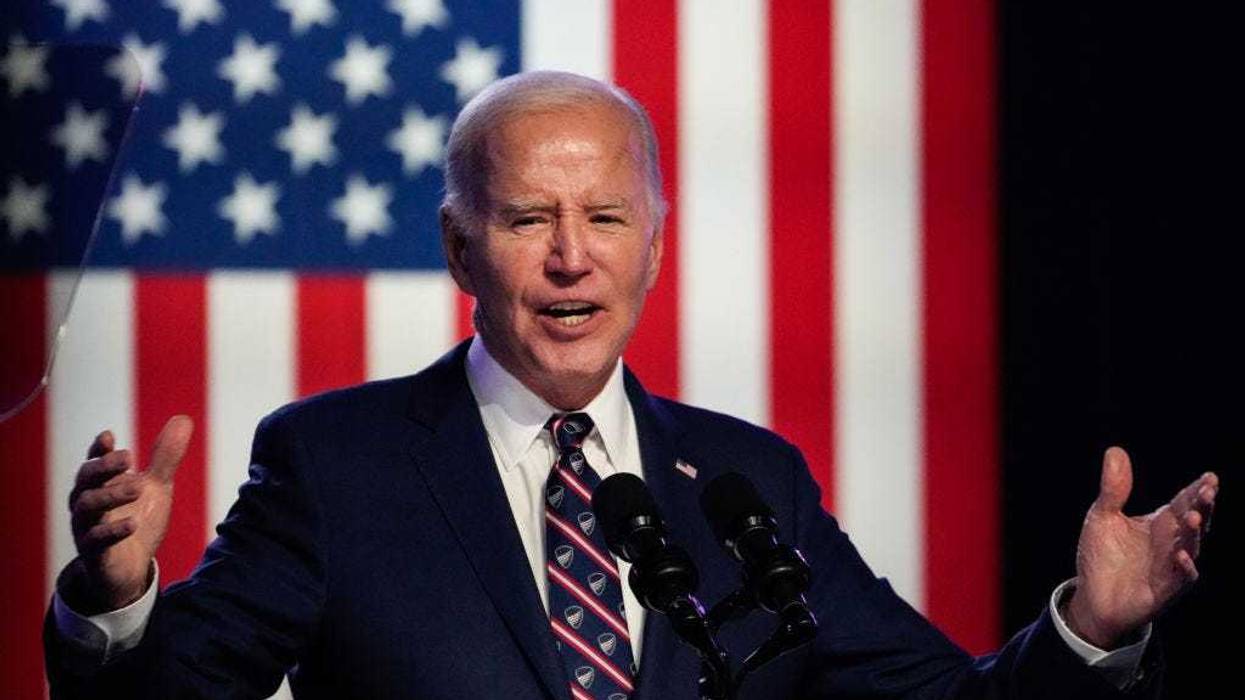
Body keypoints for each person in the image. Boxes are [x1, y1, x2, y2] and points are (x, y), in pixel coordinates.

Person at [45, 71, 1218, 699]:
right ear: (461, 250)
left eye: (606, 217)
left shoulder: (750, 482)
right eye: (526, 220)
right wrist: (121, 595)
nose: (572, 256)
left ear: (654, 246)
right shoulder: (334, 461)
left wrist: (1088, 633)